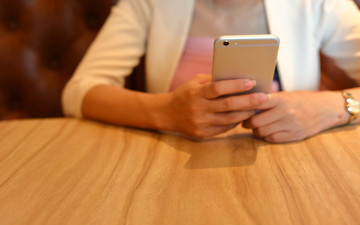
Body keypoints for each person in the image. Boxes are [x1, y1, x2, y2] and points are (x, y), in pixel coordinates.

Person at [62, 0, 360, 143]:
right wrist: (164, 111)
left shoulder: (319, 4)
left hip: (289, 170)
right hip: (168, 169)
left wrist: (331, 106)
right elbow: (79, 91)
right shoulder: (150, 4)